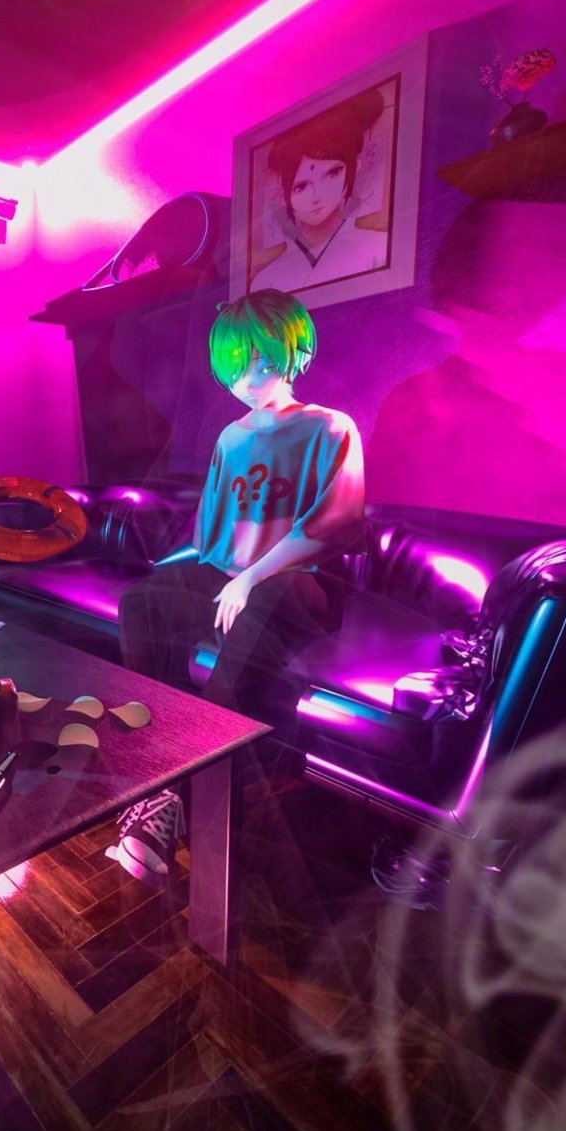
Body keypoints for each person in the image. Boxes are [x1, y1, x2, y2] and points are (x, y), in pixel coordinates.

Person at [111, 289, 365, 875]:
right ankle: (157, 768)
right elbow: (213, 534)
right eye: (236, 366)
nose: (249, 380)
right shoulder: (231, 437)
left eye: (263, 363)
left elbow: (334, 524)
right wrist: (192, 575)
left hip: (298, 583)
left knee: (262, 608)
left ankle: (175, 802)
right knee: (142, 603)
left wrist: (250, 576)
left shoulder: (330, 427)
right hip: (233, 579)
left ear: (293, 355)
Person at [248, 90, 388, 294]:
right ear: (283, 195)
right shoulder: (264, 283)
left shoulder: (379, 247)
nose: (317, 196)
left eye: (333, 173)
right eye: (301, 186)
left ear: (356, 165)